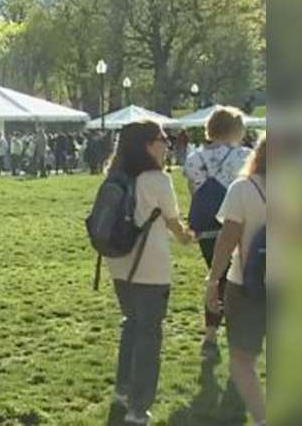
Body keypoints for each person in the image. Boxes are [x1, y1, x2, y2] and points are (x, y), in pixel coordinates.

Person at [104, 121, 192, 425]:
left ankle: (122, 390)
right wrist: (185, 236)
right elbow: (173, 221)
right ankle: (138, 408)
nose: (166, 144)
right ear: (145, 144)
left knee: (132, 324)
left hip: (119, 264)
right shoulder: (157, 180)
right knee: (149, 335)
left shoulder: (116, 176)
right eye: (161, 139)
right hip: (149, 267)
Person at [204, 135, 267, 425]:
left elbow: (227, 240)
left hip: (246, 284)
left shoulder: (243, 189)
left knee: (242, 359)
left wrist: (213, 280)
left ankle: (262, 418)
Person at [183, 107, 252, 357]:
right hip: (235, 223)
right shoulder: (244, 156)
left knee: (216, 278)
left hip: (206, 226)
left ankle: (210, 334)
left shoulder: (193, 158)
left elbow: (194, 191)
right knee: (236, 281)